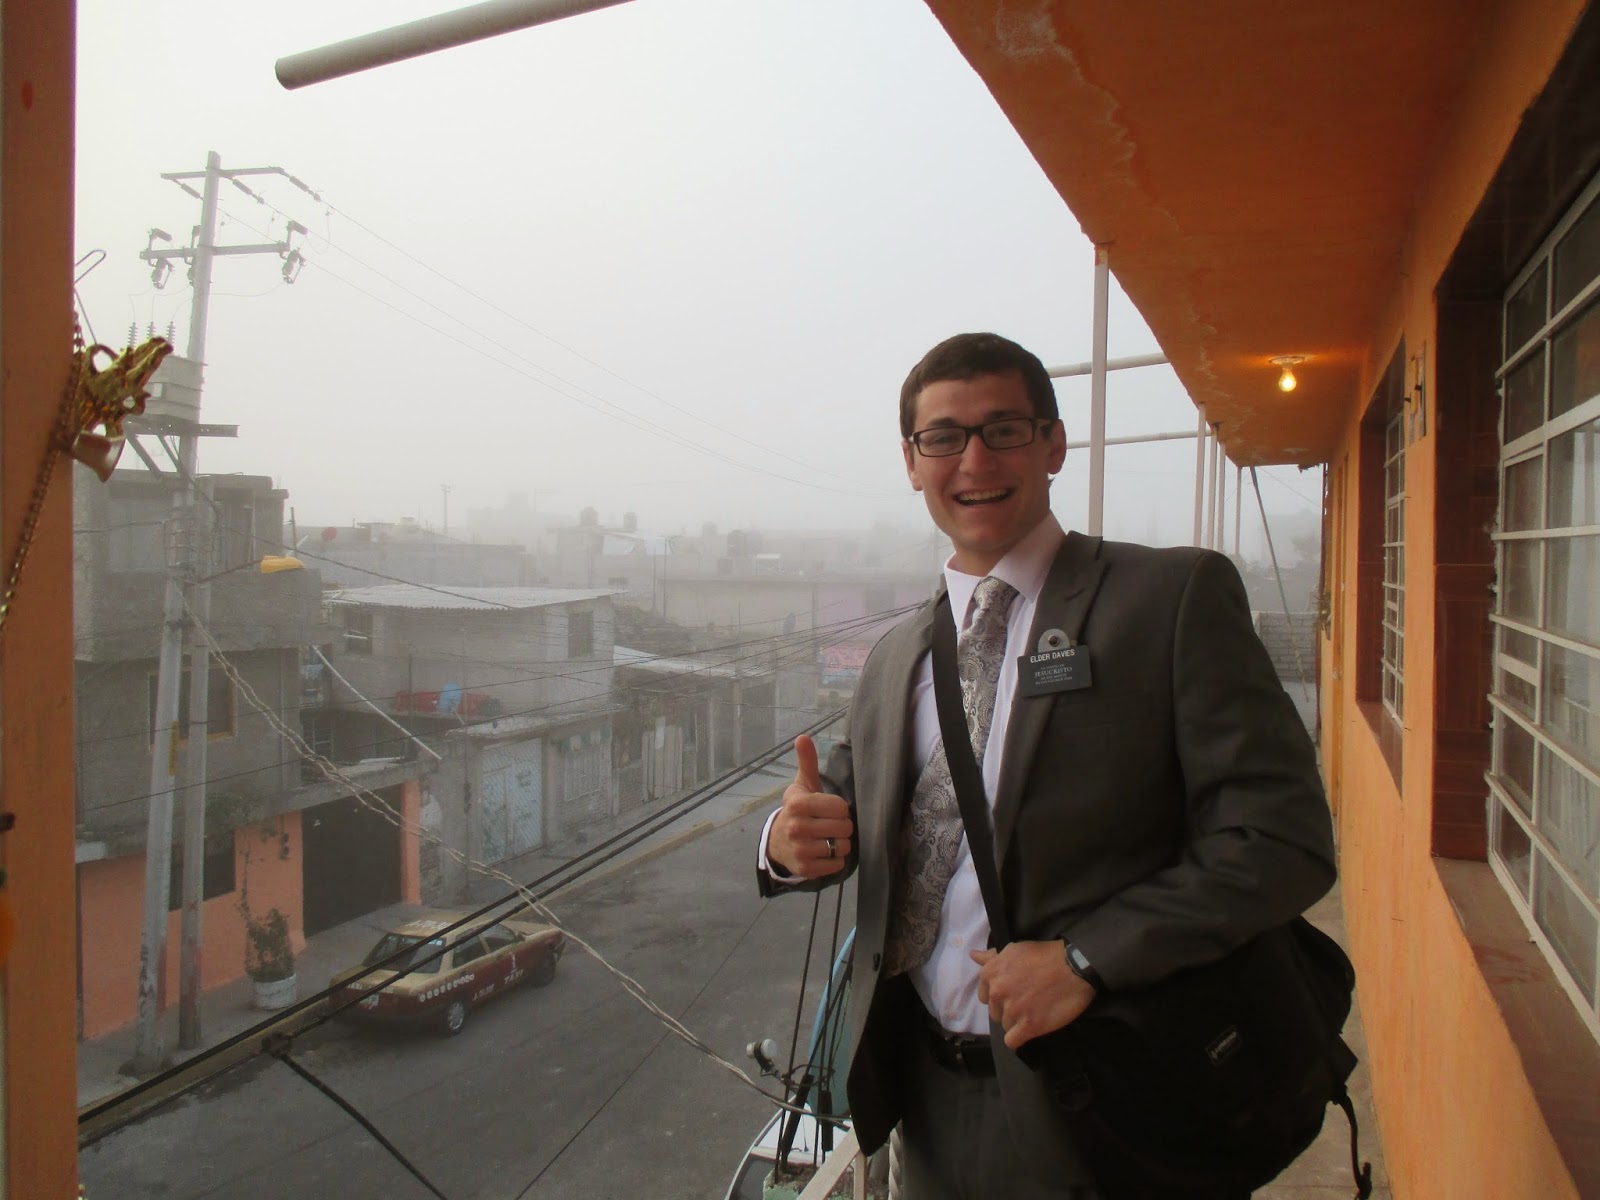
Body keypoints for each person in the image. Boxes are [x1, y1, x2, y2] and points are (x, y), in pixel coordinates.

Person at [756, 332, 1336, 1200]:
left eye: (1004, 430)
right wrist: (787, 839)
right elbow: (842, 810)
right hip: (925, 1096)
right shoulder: (896, 658)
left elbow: (1280, 841)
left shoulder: (1168, 601)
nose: (974, 460)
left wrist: (1085, 960)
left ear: (1054, 444)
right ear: (912, 463)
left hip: (1112, 1099)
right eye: (943, 437)